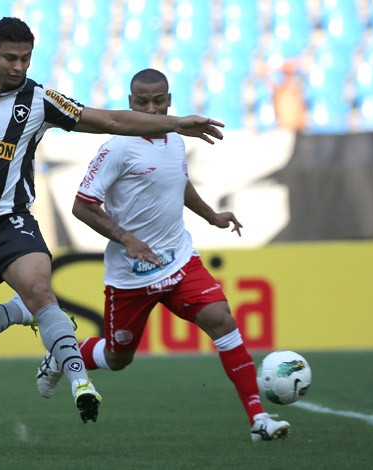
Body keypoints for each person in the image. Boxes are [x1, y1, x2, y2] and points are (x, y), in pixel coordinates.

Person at [0, 18, 224, 425]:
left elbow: (112, 121)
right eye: (10, 58)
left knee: (39, 287)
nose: (19, 67)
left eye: (26, 58)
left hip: (9, 219)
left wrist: (175, 124)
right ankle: (19, 312)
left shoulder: (39, 100)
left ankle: (79, 382)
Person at [35, 68, 291, 441]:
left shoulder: (175, 139)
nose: (152, 110)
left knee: (222, 320)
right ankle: (63, 355)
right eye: (143, 102)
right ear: (130, 104)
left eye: (159, 101)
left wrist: (212, 216)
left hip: (179, 260)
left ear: (169, 101)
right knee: (118, 358)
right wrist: (128, 239)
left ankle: (258, 418)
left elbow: (179, 182)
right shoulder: (117, 147)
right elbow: (82, 206)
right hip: (131, 273)